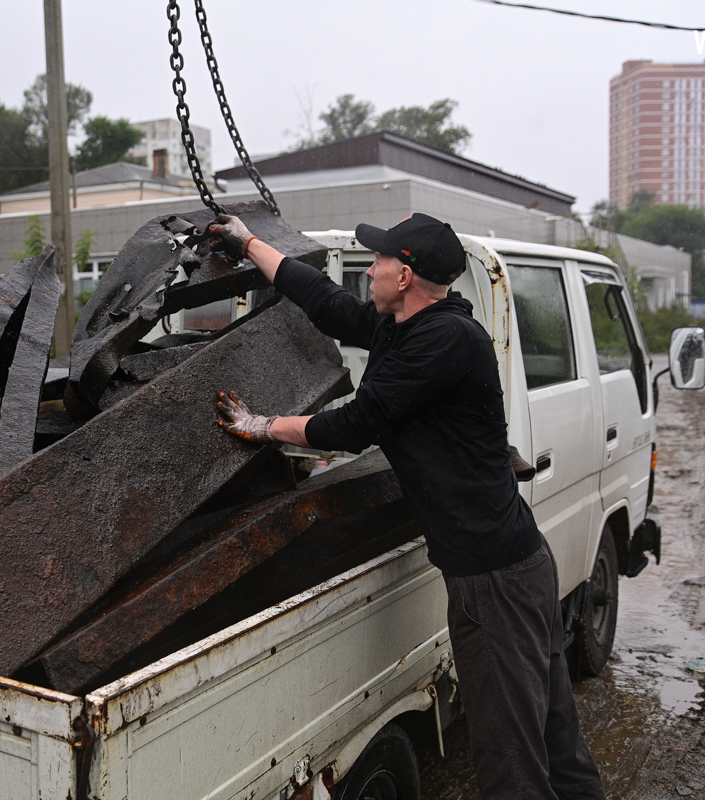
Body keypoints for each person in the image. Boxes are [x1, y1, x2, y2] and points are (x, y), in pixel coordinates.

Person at [209, 212, 606, 800]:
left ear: (407, 276)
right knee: (550, 732)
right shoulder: (409, 325)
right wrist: (249, 244)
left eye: (380, 261)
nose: (369, 269)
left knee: (510, 760)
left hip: (495, 584)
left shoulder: (445, 342)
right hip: (514, 567)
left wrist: (261, 426)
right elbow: (326, 303)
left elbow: (357, 422)